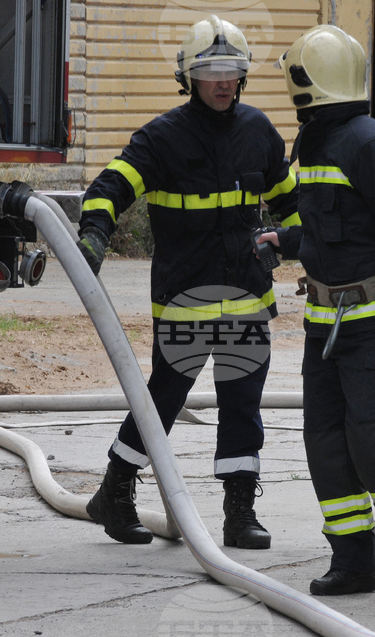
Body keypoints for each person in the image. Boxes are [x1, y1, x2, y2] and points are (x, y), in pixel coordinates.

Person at [76, 15, 300, 549]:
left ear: (243, 77)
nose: (222, 81)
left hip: (248, 297)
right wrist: (93, 236)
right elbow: (109, 187)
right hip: (185, 301)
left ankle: (239, 513)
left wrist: (293, 245)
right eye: (211, 71)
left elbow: (294, 207)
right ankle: (115, 490)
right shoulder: (162, 139)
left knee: (242, 403)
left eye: (232, 71)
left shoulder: (259, 134)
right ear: (189, 77)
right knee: (162, 401)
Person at [260, 24, 375, 595]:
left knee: (371, 437)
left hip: (374, 324)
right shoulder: (313, 143)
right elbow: (328, 227)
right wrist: (285, 243)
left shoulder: (372, 143)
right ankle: (353, 563)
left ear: (307, 81)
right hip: (325, 323)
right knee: (326, 442)